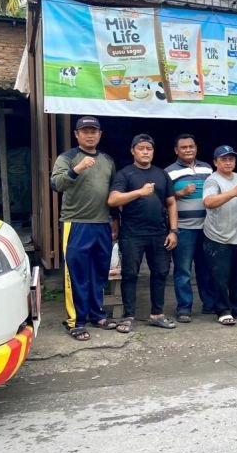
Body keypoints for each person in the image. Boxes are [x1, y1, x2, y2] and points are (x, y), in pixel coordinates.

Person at [50, 116, 118, 341]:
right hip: (76, 222)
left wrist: (114, 220)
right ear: (76, 134)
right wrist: (76, 170)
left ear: (100, 134)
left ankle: (97, 315)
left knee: (99, 273)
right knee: (76, 274)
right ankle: (75, 322)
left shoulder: (107, 160)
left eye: (94, 131)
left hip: (102, 223)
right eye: (85, 131)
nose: (90, 135)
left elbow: (112, 194)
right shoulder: (68, 157)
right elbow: (56, 184)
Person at [108, 134, 178, 332]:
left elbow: (171, 203)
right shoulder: (125, 174)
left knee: (161, 273)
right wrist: (139, 192)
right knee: (130, 274)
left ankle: (157, 314)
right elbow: (113, 200)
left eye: (149, 148)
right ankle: (128, 316)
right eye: (141, 148)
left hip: (159, 232)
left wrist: (173, 231)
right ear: (133, 151)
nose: (145, 152)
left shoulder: (161, 174)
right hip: (132, 234)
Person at [165, 134, 215, 322]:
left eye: (191, 146)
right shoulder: (169, 172)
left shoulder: (207, 168)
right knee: (183, 271)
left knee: (207, 269)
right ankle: (184, 308)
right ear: (176, 151)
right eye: (184, 147)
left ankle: (209, 304)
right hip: (184, 228)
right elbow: (165, 201)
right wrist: (181, 193)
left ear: (196, 148)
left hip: (207, 228)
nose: (188, 150)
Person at [203, 145, 237, 326]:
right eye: (223, 159)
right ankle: (223, 310)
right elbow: (208, 202)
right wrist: (232, 192)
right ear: (215, 162)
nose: (228, 162)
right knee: (220, 277)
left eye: (231, 159)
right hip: (218, 237)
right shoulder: (212, 180)